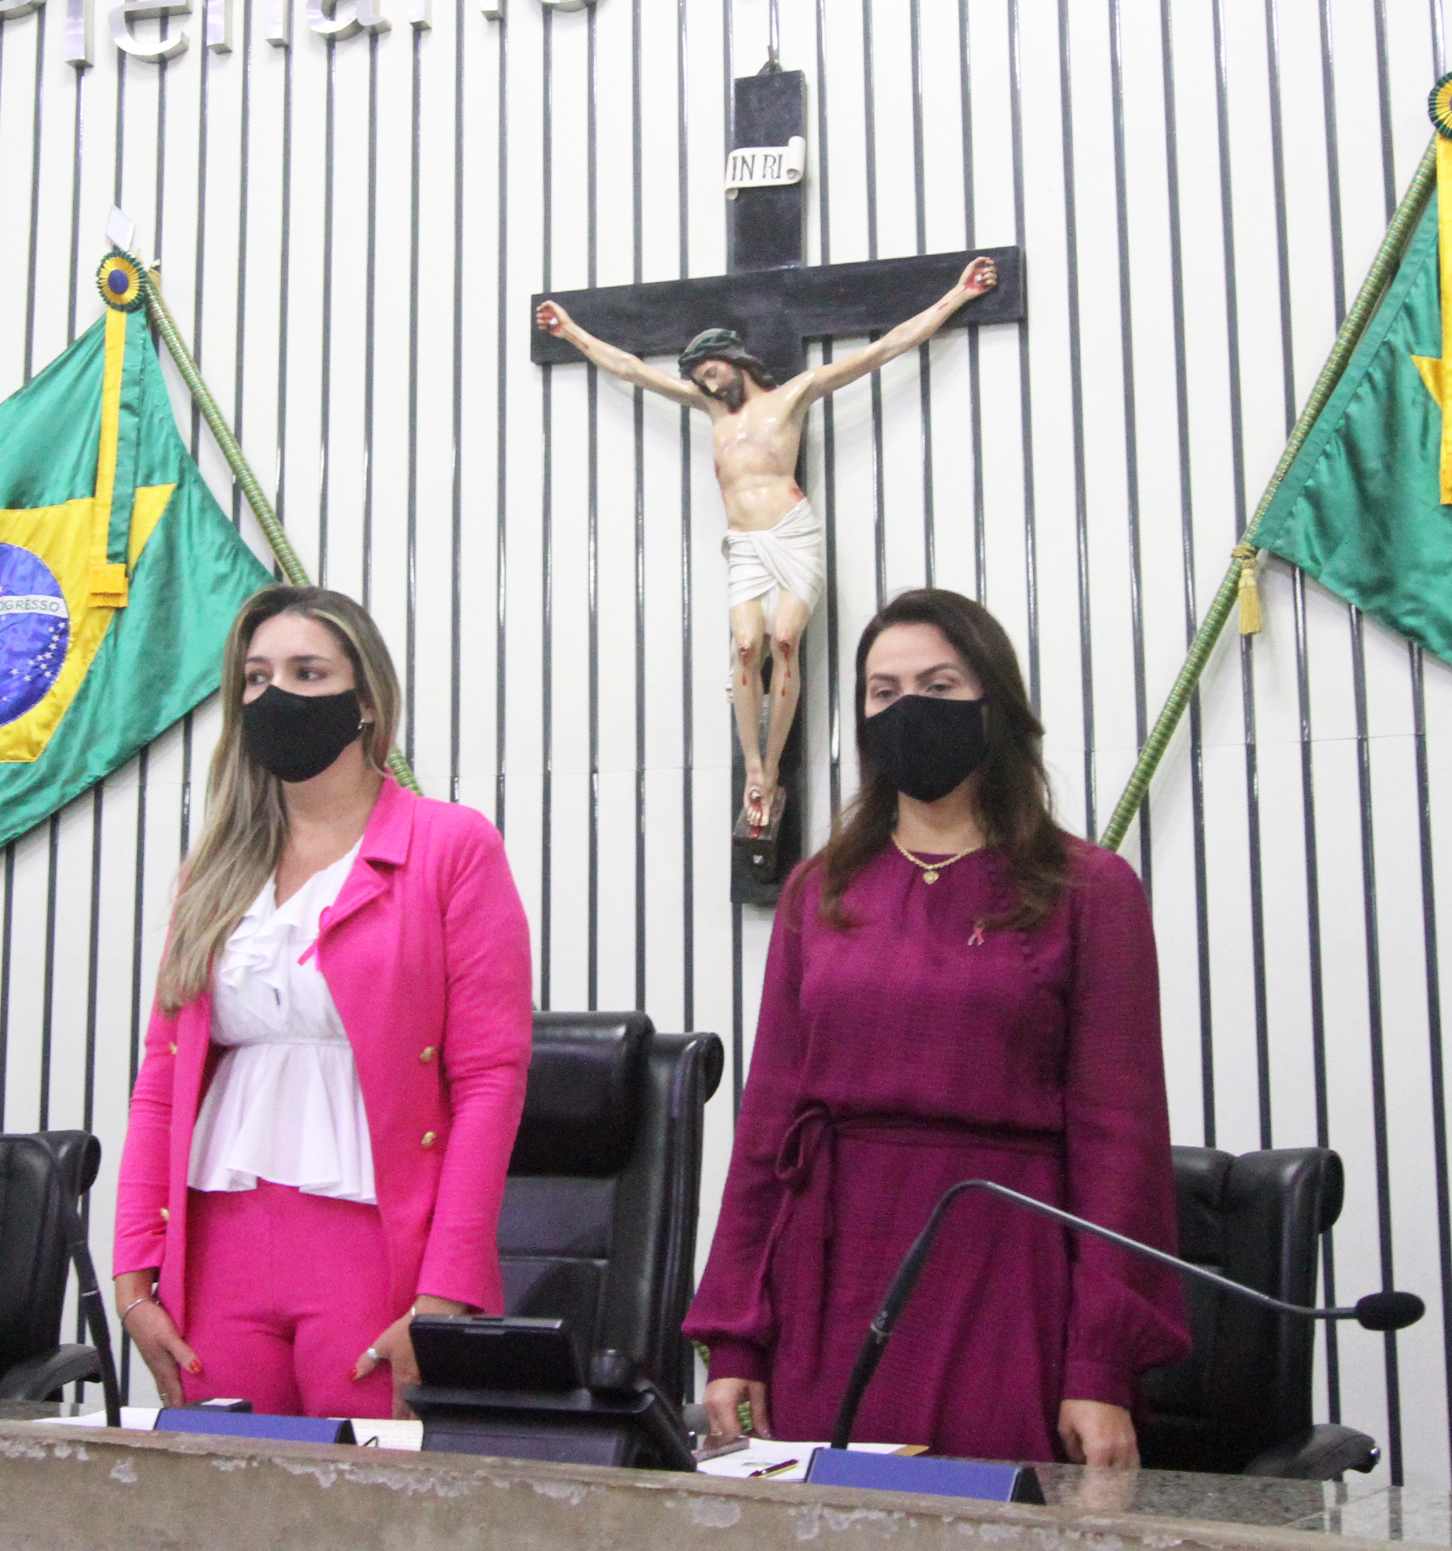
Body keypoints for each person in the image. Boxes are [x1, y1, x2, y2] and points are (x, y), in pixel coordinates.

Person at [688, 588, 1189, 1466]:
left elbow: (1122, 1145)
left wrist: (1100, 1367)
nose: (908, 708)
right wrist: (736, 1339)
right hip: (829, 1282)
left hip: (1006, 1279)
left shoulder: (1089, 890)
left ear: (995, 704)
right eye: (883, 692)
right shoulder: (818, 890)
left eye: (939, 685)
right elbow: (768, 1126)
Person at [111, 585, 533, 1421]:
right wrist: (132, 1276)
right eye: (257, 678)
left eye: (308, 673)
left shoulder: (452, 847)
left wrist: (445, 1293)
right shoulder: (212, 870)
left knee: (372, 1491)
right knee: (222, 1485)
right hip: (218, 1246)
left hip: (376, 1248)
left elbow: (490, 1080)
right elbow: (161, 1080)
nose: (277, 696)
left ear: (366, 701)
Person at [537, 258, 998, 839]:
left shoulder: (793, 396)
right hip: (746, 544)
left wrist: (956, 295)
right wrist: (571, 332)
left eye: (712, 372)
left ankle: (773, 764)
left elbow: (883, 350)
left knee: (784, 640)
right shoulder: (710, 410)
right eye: (701, 379)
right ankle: (754, 769)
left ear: (735, 361)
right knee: (746, 645)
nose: (709, 385)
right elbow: (631, 369)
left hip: (791, 533)